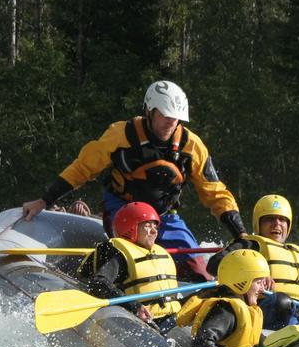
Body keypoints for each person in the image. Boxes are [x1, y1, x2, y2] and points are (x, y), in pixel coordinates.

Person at [21, 80, 245, 280]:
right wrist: (45, 200)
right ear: (149, 110)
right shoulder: (120, 135)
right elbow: (83, 167)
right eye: (164, 115)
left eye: (175, 118)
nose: (170, 123)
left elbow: (214, 191)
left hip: (164, 215)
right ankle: (112, 283)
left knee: (199, 271)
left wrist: (240, 233)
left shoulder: (192, 145)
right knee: (138, 257)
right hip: (123, 209)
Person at [207, 194, 299, 329]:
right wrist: (257, 274)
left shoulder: (298, 254)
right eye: (270, 219)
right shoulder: (251, 244)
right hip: (270, 309)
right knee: (282, 301)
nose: (277, 223)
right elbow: (214, 264)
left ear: (288, 224)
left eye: (282, 219)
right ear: (259, 224)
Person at [176, 249, 271, 347]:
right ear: (241, 281)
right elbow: (202, 342)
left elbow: (254, 341)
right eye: (258, 282)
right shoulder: (227, 311)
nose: (263, 288)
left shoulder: (247, 310)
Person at [76, 201, 181, 331]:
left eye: (155, 226)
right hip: (143, 322)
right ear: (131, 229)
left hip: (172, 319)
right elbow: (98, 283)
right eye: (147, 226)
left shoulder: (159, 252)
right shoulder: (120, 255)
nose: (154, 231)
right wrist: (135, 306)